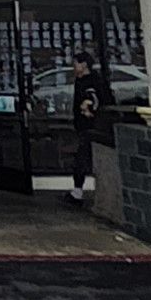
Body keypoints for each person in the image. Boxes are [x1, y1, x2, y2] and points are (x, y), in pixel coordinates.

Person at [68, 52, 105, 205]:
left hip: (92, 127)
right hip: (83, 126)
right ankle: (78, 190)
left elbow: (96, 99)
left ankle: (77, 192)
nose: (74, 67)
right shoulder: (80, 81)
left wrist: (89, 107)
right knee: (83, 157)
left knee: (82, 158)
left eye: (75, 63)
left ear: (84, 65)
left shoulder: (93, 82)